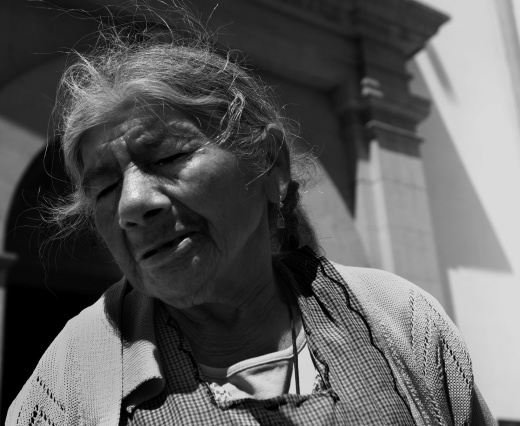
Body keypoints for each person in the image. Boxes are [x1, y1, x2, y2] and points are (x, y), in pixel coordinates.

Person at [6, 7, 495, 426]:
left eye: (167, 157)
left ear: (269, 165)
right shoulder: (70, 381)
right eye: (106, 187)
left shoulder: (399, 320)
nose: (133, 203)